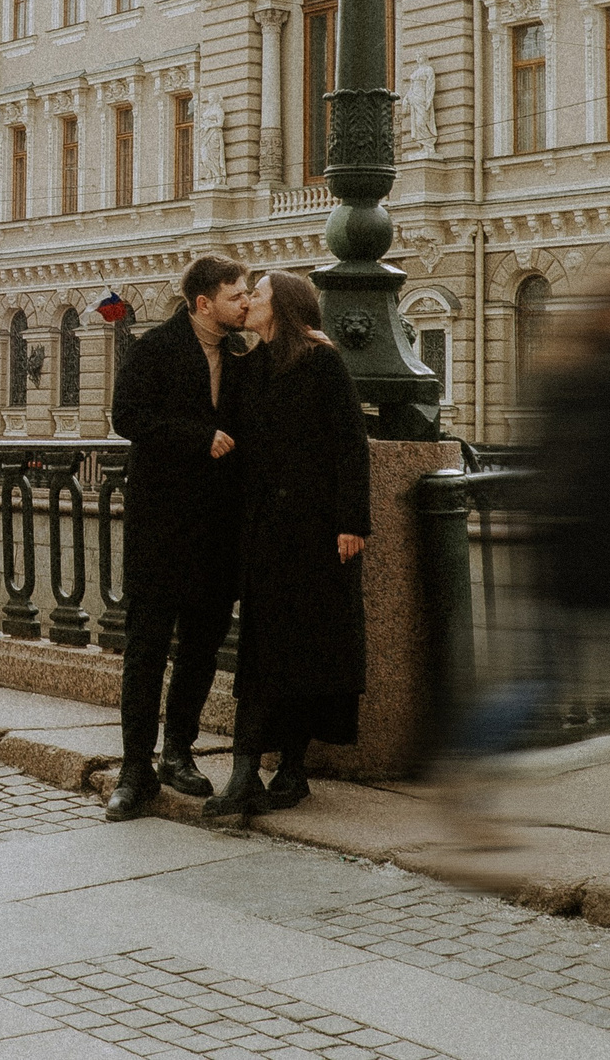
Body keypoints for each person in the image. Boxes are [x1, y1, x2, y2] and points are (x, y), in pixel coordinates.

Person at [438, 268, 610, 841]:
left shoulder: (568, 370)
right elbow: (607, 471)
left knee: (571, 679)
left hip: (569, 551)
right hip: (604, 553)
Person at [203, 269, 370, 819]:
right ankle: (245, 772)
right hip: (265, 532)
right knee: (260, 652)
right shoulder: (248, 366)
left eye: (258, 294)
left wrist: (352, 522)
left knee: (308, 651)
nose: (248, 301)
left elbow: (350, 445)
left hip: (317, 533)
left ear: (284, 307)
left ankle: (292, 770)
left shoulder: (322, 363)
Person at [106, 254, 255, 821]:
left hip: (217, 528)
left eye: (247, 294)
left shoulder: (240, 354)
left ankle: (177, 753)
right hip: (162, 526)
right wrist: (198, 437)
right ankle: (134, 771)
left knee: (199, 647)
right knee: (146, 649)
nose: (245, 302)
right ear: (204, 303)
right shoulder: (156, 346)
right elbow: (127, 416)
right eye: (236, 295)